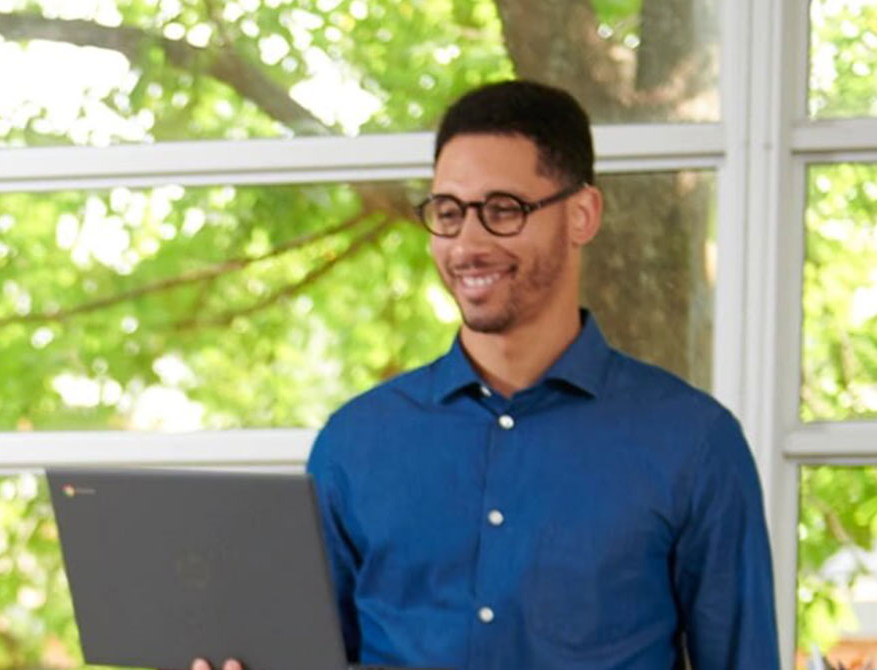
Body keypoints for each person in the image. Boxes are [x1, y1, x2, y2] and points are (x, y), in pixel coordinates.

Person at [200, 80, 780, 670]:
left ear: (581, 215)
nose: (467, 244)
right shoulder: (353, 445)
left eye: (503, 210)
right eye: (448, 213)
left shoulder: (694, 444)